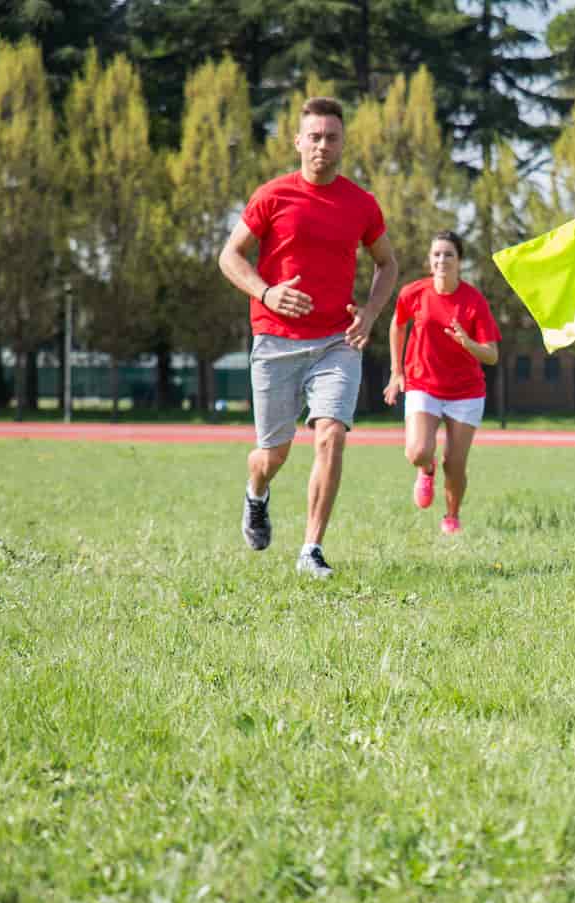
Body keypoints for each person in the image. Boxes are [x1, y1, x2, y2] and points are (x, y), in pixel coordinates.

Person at [218, 96, 398, 578]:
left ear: (342, 144)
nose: (322, 145)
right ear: (298, 141)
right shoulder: (271, 196)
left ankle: (310, 550)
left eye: (331, 137)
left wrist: (371, 312)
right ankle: (257, 492)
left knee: (331, 435)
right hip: (275, 341)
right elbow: (229, 256)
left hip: (336, 342)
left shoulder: (360, 203)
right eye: (314, 137)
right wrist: (266, 292)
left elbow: (387, 263)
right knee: (272, 454)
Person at [383, 231, 501, 535]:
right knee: (418, 451)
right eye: (436, 254)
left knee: (455, 463)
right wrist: (397, 371)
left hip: (466, 391)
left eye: (448, 254)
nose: (441, 260)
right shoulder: (413, 293)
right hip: (423, 383)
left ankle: (451, 516)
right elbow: (397, 325)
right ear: (429, 260)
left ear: (460, 261)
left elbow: (491, 355)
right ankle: (426, 469)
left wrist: (468, 343)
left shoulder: (474, 301)